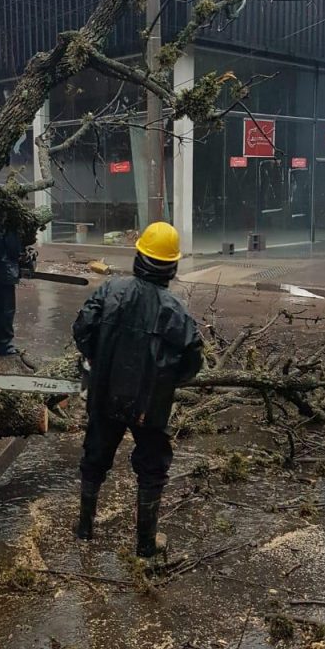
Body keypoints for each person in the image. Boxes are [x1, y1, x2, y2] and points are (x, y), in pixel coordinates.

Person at [72, 221, 203, 558]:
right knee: (152, 465)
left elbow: (83, 329)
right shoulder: (176, 312)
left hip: (105, 393)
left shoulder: (110, 290)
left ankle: (84, 528)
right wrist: (167, 381)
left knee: (95, 455)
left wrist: (95, 359)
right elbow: (192, 362)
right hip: (150, 402)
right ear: (171, 267)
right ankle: (145, 543)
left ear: (139, 255)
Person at [0, 220, 22, 357]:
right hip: (5, 270)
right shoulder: (8, 223)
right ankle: (3, 344)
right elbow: (14, 248)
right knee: (6, 309)